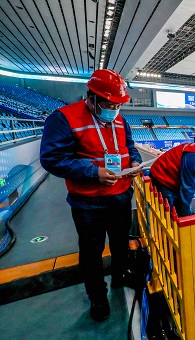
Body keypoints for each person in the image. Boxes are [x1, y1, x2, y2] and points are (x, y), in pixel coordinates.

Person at [39, 69, 143, 322]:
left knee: (120, 243)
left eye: (118, 105)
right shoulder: (63, 118)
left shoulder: (119, 119)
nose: (114, 109)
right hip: (88, 203)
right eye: (109, 104)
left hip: (120, 195)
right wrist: (93, 172)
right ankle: (98, 298)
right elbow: (52, 159)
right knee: (91, 253)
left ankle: (120, 275)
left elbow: (129, 146)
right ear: (91, 98)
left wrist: (136, 162)